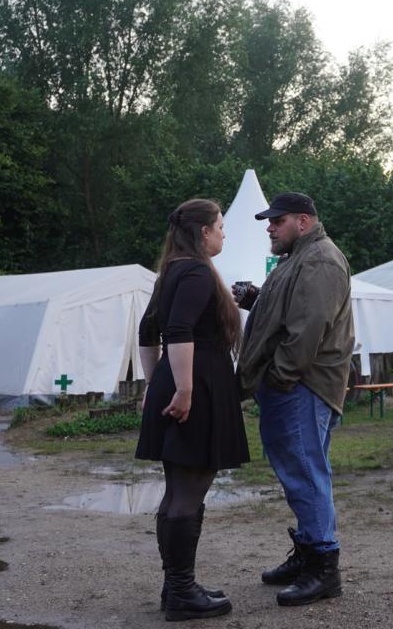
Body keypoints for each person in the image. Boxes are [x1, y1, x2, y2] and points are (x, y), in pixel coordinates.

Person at [233, 192, 355, 607]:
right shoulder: (298, 257)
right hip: (298, 384)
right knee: (303, 470)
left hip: (303, 385)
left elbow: (308, 329)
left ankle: (323, 567)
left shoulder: (319, 259)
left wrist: (279, 378)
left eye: (277, 220)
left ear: (303, 221)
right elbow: (291, 311)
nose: (269, 228)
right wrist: (256, 299)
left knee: (304, 472)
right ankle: (308, 553)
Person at [135, 198, 250, 621]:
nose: (223, 234)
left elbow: (147, 330)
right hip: (197, 385)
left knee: (178, 491)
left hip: (182, 378)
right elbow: (178, 329)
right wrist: (182, 389)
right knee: (188, 491)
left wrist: (157, 382)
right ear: (204, 232)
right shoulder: (197, 272)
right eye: (220, 226)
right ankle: (181, 591)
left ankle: (176, 586)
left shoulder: (171, 270)